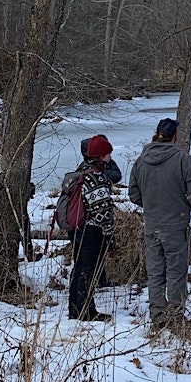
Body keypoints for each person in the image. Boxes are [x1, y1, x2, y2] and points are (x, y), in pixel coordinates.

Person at [128, 117, 191, 330]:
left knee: (155, 272)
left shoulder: (141, 161)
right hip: (176, 225)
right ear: (175, 136)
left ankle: (157, 315)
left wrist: (151, 204)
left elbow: (133, 194)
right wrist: (181, 201)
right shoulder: (183, 159)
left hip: (152, 224)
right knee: (176, 272)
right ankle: (175, 316)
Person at [69, 135, 116, 323]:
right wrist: (109, 232)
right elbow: (101, 210)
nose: (110, 157)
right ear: (101, 155)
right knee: (88, 271)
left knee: (79, 268)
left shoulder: (80, 171)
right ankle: (86, 311)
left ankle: (75, 308)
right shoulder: (96, 177)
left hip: (76, 228)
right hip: (91, 231)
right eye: (108, 154)